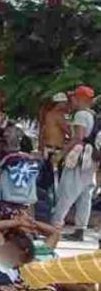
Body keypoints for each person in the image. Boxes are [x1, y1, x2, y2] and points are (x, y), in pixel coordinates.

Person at [52, 85, 98, 242]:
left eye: (73, 97)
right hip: (91, 159)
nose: (71, 99)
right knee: (85, 195)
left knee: (67, 192)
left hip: (79, 157)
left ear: (80, 99)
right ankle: (80, 230)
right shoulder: (93, 115)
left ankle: (54, 227)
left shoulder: (80, 115)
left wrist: (61, 154)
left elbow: (78, 137)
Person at [38, 93, 68, 163]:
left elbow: (42, 131)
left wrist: (40, 146)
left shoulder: (48, 114)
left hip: (47, 148)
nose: (66, 106)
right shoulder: (58, 115)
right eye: (65, 103)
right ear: (60, 104)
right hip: (55, 149)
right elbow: (68, 131)